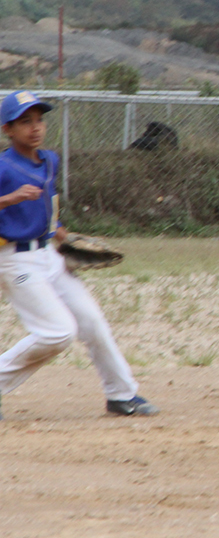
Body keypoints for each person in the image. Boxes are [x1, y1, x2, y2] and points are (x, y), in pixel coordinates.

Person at [0, 90, 157, 420]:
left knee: (92, 322)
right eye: (24, 121)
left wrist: (66, 238)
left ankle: (121, 394)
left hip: (49, 255)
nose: (35, 127)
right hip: (15, 259)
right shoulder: (3, 167)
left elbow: (49, 211)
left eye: (39, 119)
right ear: (8, 130)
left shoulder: (50, 161)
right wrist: (10, 198)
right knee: (57, 332)